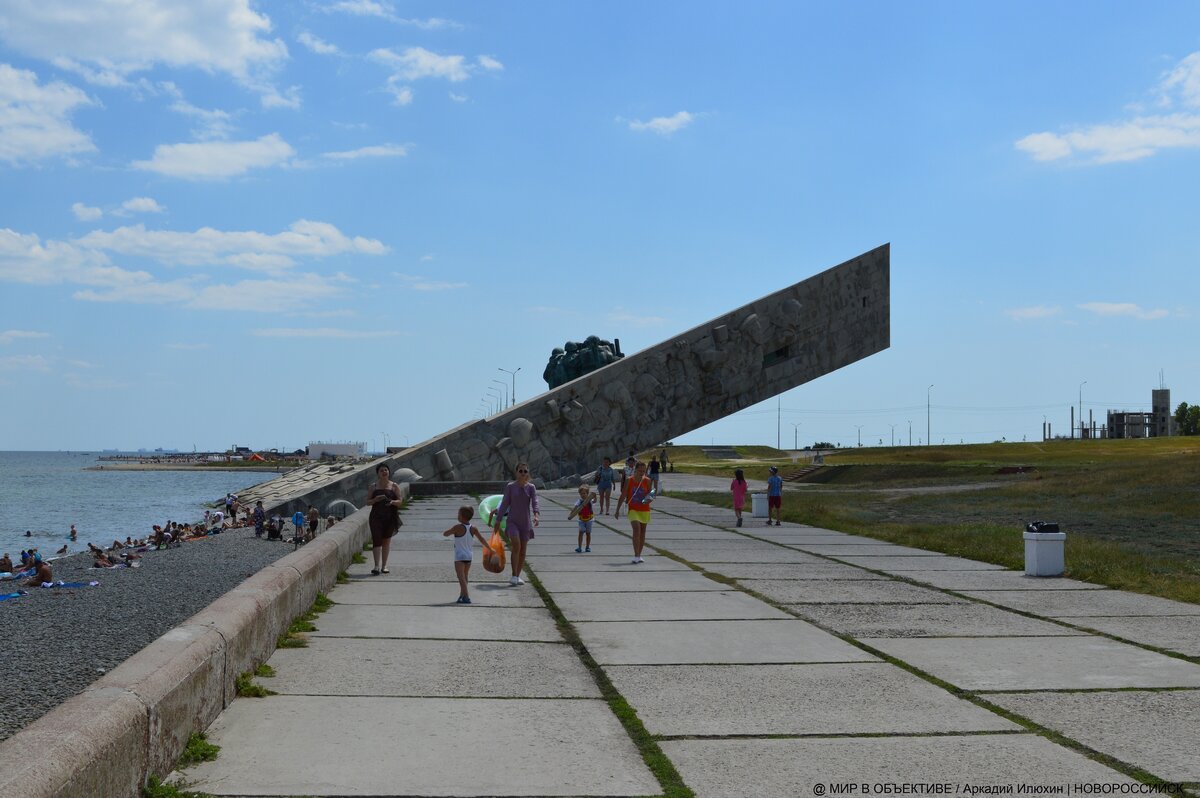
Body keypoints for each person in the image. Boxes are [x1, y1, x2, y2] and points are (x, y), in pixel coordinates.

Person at [492, 462, 540, 586]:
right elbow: (505, 503)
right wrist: (498, 520)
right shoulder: (510, 487)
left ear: (528, 473)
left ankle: (517, 576)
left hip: (526, 523)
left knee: (523, 551)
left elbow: (535, 501)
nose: (523, 473)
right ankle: (513, 575)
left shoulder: (531, 487)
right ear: (516, 472)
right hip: (512, 521)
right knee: (516, 546)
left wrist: (536, 515)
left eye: (525, 471)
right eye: (520, 471)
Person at [443, 505, 489, 604]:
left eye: (458, 514)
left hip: (459, 557)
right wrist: (490, 549)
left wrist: (449, 531)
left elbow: (445, 534)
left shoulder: (457, 527)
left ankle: (467, 596)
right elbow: (482, 539)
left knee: (461, 578)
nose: (457, 516)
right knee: (465, 576)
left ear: (462, 516)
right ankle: (461, 596)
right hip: (469, 556)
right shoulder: (473, 528)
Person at [614, 460, 655, 563]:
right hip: (633, 509)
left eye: (643, 471)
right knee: (636, 529)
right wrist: (617, 510)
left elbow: (650, 495)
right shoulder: (629, 480)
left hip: (644, 510)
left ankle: (639, 555)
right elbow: (623, 495)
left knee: (642, 532)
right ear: (635, 470)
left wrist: (649, 499)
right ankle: (636, 555)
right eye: (640, 471)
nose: (642, 473)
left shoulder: (648, 481)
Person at [367, 463, 403, 575]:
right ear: (378, 473)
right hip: (376, 517)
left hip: (390, 516)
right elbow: (367, 502)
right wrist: (375, 500)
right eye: (382, 470)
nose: (384, 472)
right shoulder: (373, 487)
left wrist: (392, 502)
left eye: (386, 470)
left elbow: (400, 502)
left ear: (389, 472)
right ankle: (376, 566)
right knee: (376, 540)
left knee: (386, 541)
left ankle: (384, 565)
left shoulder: (394, 486)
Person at [568, 485, 596, 552]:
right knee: (580, 533)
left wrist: (595, 496)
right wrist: (571, 515)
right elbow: (575, 508)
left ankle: (587, 547)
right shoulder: (579, 501)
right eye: (581, 493)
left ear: (587, 493)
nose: (582, 495)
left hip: (589, 520)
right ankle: (579, 547)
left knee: (588, 534)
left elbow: (594, 501)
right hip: (581, 520)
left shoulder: (589, 500)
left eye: (584, 493)